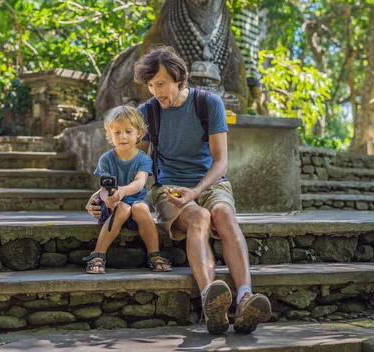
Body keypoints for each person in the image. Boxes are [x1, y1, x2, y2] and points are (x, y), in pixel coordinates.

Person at [86, 46, 271, 335]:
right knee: (198, 218)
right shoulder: (147, 113)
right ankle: (211, 299)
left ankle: (245, 297)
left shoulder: (208, 103)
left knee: (223, 213)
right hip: (169, 189)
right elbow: (130, 159)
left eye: (160, 83)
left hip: (210, 183)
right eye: (149, 85)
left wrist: (196, 191)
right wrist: (104, 193)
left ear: (178, 78)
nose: (155, 91)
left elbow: (221, 161)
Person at [83, 105, 172, 274]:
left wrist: (123, 191)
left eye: (128, 131)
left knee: (141, 208)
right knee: (123, 207)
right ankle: (97, 254)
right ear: (110, 135)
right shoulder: (106, 159)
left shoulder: (143, 159)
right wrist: (105, 197)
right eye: (117, 132)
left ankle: (155, 254)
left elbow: (139, 182)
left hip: (135, 202)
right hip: (113, 207)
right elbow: (104, 187)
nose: (123, 137)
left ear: (138, 133)